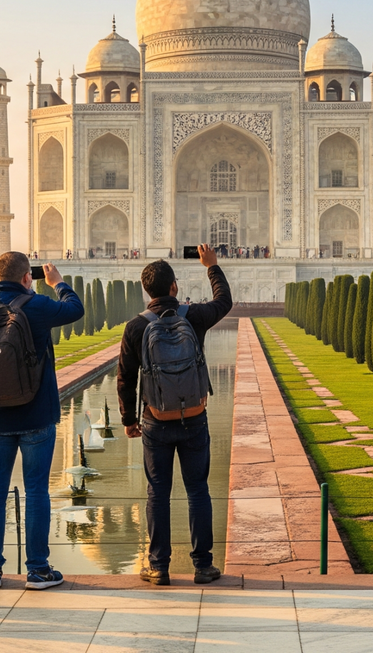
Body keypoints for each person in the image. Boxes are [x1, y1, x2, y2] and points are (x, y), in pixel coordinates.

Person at [117, 244, 232, 586]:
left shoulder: (136, 327)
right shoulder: (192, 316)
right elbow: (224, 302)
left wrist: (128, 420)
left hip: (156, 420)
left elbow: (126, 378)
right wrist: (211, 266)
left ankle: (159, 566)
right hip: (194, 417)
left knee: (158, 493)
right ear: (174, 287)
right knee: (198, 490)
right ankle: (203, 566)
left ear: (145, 290)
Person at [0, 252, 83, 589]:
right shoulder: (36, 306)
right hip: (35, 413)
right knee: (35, 489)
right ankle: (37, 569)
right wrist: (57, 282)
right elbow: (75, 308)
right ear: (25, 278)